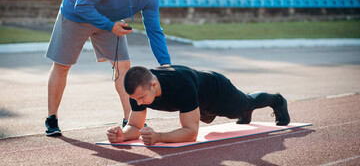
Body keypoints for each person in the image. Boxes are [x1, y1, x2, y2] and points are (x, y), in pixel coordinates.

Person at [45, 0, 176, 136]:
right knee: (63, 66)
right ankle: (51, 118)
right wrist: (109, 25)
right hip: (76, 14)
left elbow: (154, 30)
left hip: (109, 21)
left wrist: (166, 65)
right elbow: (82, 5)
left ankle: (129, 119)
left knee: (124, 66)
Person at [106, 65, 291, 146]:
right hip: (198, 103)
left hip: (217, 92)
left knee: (245, 104)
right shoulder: (137, 89)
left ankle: (277, 100)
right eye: (135, 99)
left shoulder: (181, 84)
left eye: (141, 98)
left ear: (154, 84)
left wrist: (158, 137)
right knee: (219, 117)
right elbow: (135, 126)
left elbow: (191, 133)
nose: (137, 103)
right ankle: (244, 113)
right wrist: (122, 135)